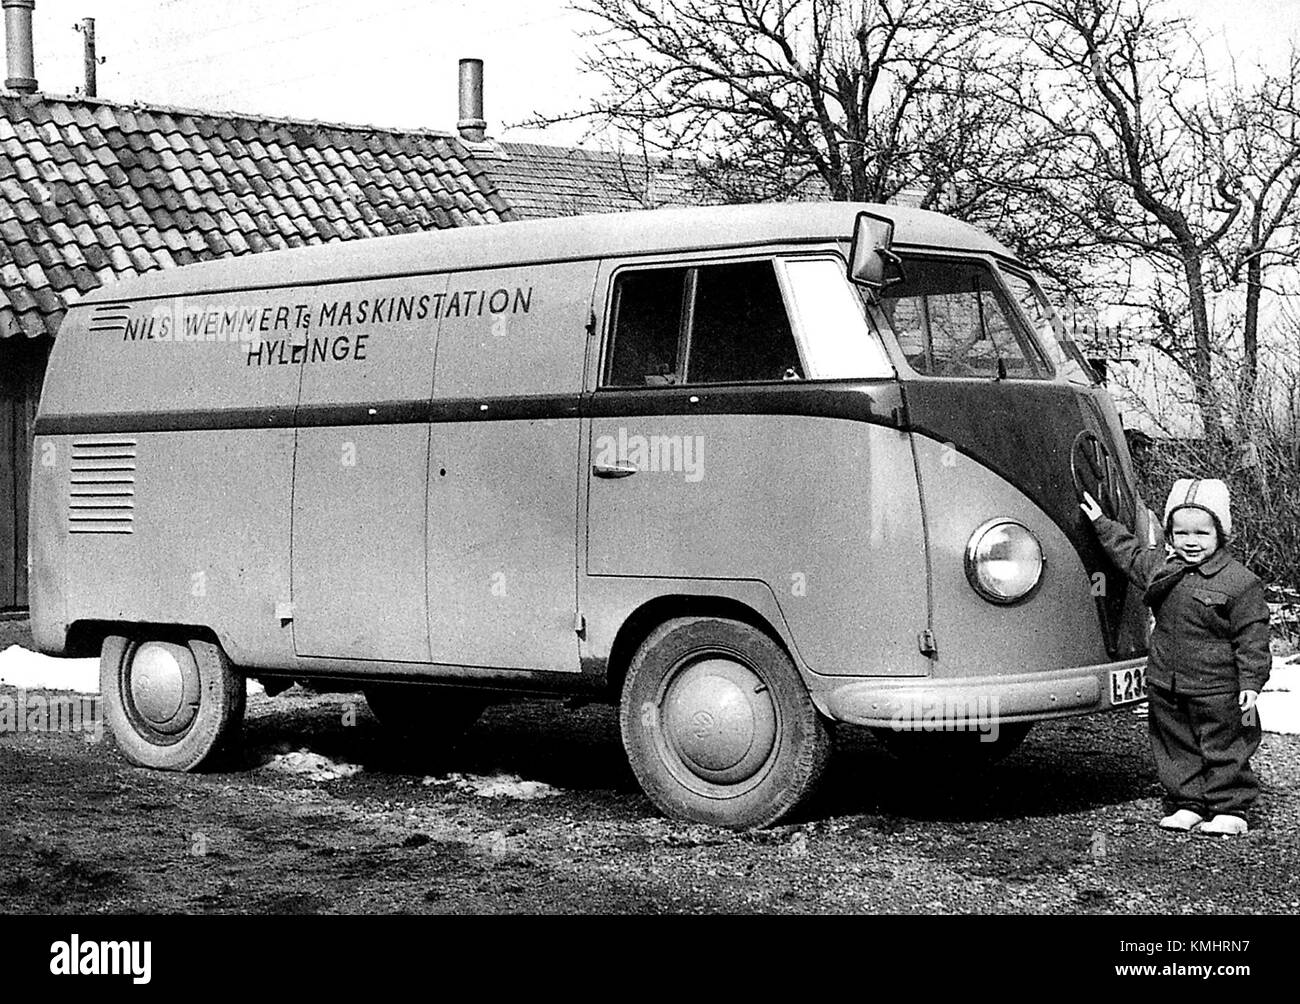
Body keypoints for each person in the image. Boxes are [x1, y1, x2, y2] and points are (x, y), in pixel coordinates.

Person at [1080, 478, 1271, 836]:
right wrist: (1101, 523)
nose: (1191, 541)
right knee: (1175, 744)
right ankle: (1188, 803)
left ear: (1221, 534)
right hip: (1166, 681)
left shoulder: (1240, 582)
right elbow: (1128, 554)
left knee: (1224, 746)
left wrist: (1251, 682)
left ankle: (1230, 808)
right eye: (1181, 533)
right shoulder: (1163, 569)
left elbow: (1253, 638)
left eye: (1202, 532)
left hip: (1218, 688)